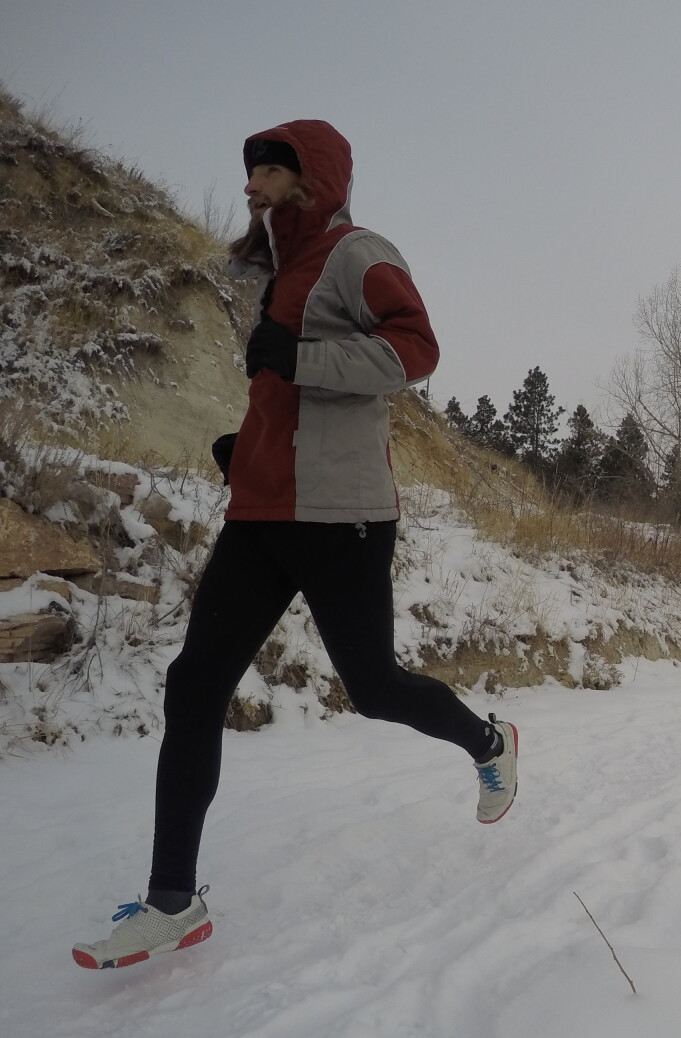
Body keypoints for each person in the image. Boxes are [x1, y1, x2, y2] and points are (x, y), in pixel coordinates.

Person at [72, 120, 519, 970]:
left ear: (311, 178)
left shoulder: (359, 253)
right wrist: (250, 452)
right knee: (195, 682)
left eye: (269, 173)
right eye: (251, 175)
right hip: (263, 512)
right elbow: (289, 393)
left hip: (342, 516)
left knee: (375, 687)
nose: (252, 187)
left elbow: (415, 350)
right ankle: (173, 901)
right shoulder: (277, 275)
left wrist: (304, 356)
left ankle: (488, 745)